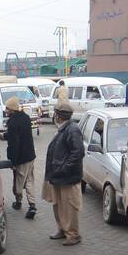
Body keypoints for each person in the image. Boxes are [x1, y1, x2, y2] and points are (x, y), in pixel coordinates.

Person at [42, 102, 84, 246]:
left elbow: (78, 153)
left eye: (55, 113)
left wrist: (64, 168)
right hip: (58, 177)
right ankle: (62, 229)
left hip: (67, 177)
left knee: (69, 207)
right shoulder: (63, 128)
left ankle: (73, 234)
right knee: (58, 205)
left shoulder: (72, 129)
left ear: (59, 115)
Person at [3, 97, 37, 219]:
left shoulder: (12, 123)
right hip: (30, 156)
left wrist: (13, 162)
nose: (6, 110)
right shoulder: (26, 118)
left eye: (7, 108)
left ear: (12, 109)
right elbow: (18, 135)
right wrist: (3, 135)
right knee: (29, 180)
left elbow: (14, 143)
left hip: (21, 158)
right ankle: (32, 205)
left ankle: (18, 202)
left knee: (18, 182)